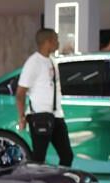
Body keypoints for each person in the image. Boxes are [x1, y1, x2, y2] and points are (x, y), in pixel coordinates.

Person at [16, 28, 73, 167]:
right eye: (56, 40)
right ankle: (36, 180)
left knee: (67, 155)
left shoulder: (52, 61)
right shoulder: (33, 62)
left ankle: (60, 179)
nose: (58, 43)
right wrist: (22, 117)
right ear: (48, 42)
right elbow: (20, 93)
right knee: (39, 158)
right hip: (39, 116)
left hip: (56, 115)